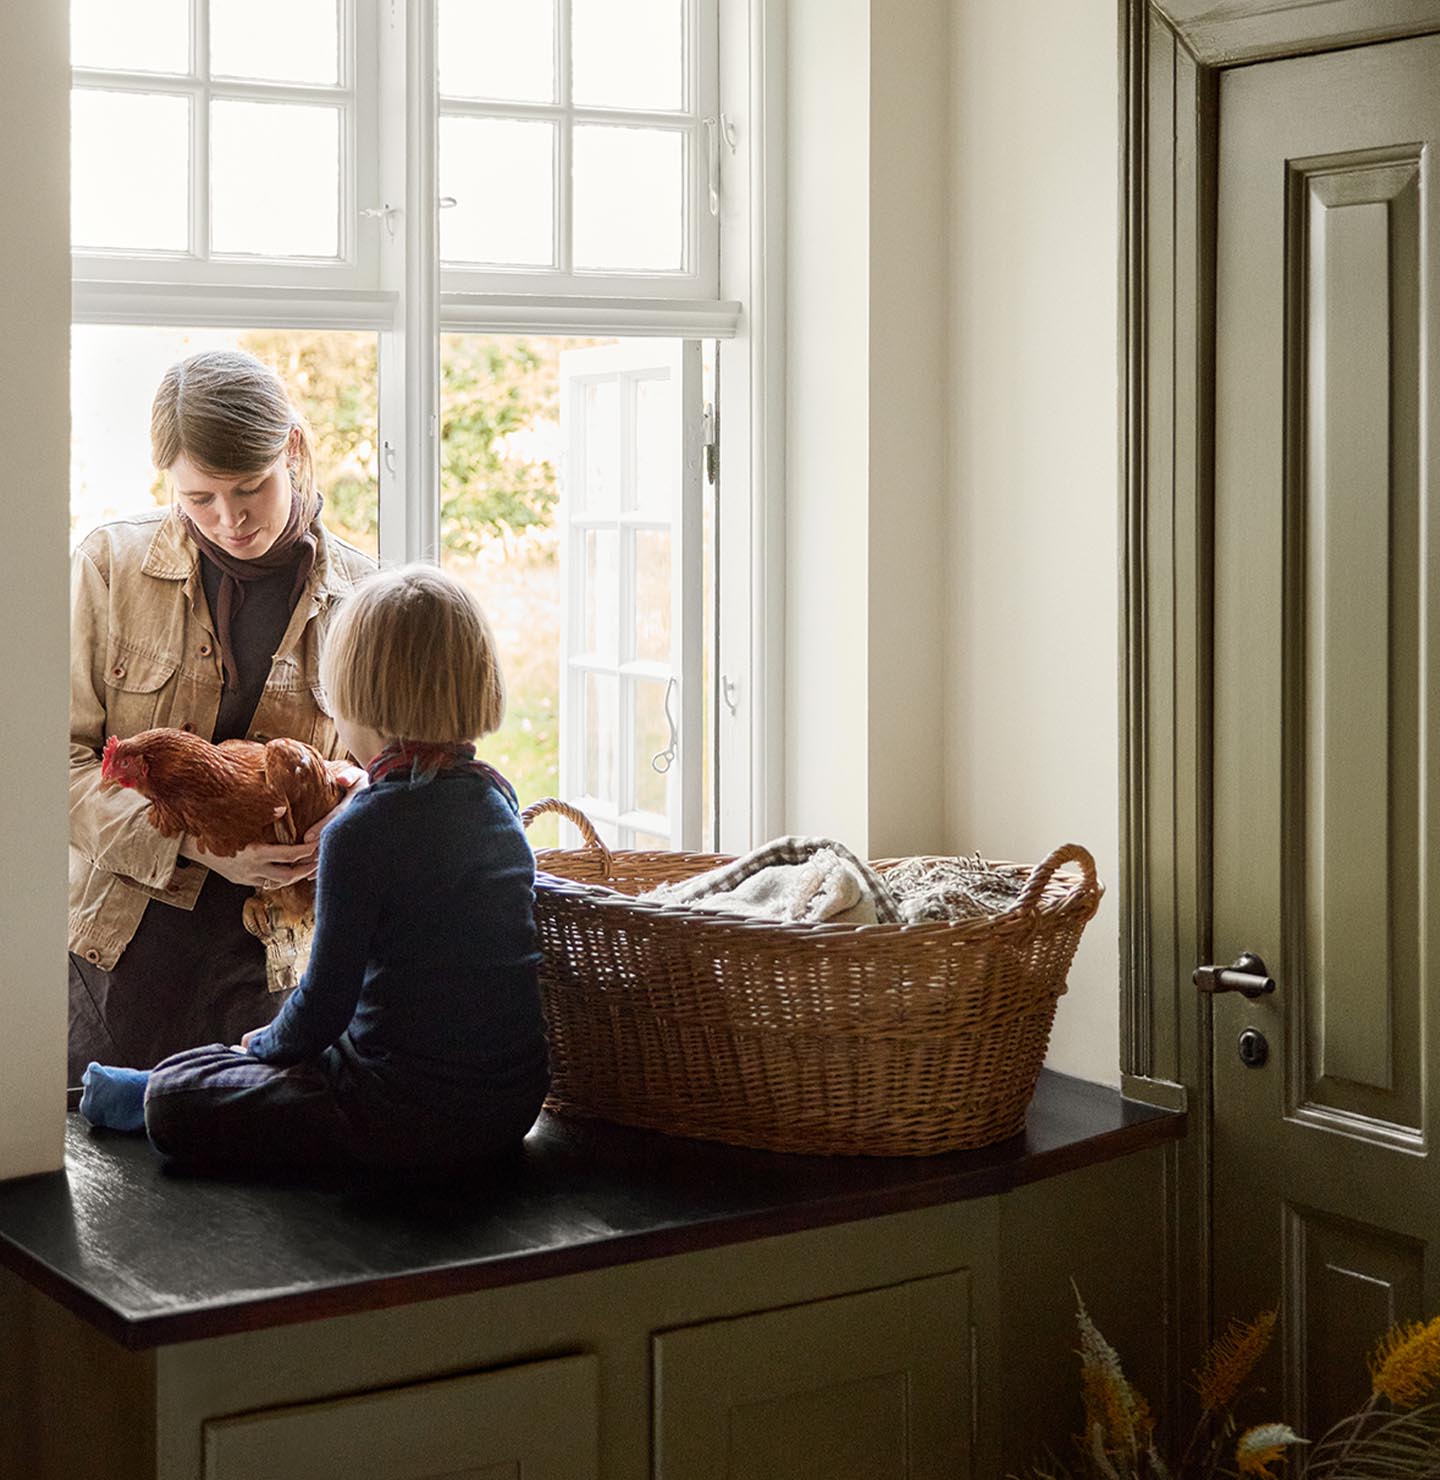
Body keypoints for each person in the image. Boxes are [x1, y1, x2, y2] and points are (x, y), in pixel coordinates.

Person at [78, 565, 552, 1182]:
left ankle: (145, 1091)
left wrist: (263, 1047)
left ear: (360, 703)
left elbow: (324, 1006)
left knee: (179, 1096)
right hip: (511, 1105)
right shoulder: (496, 800)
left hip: (395, 1110)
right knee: (301, 1060)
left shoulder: (361, 830)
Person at [68, 349, 376, 1084]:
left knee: (257, 1190)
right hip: (118, 954)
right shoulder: (109, 567)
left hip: (280, 963)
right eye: (199, 497)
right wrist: (193, 846)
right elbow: (53, 765)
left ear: (291, 450)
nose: (230, 520)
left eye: (250, 488)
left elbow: (389, 769)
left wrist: (355, 806)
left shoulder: (366, 596)